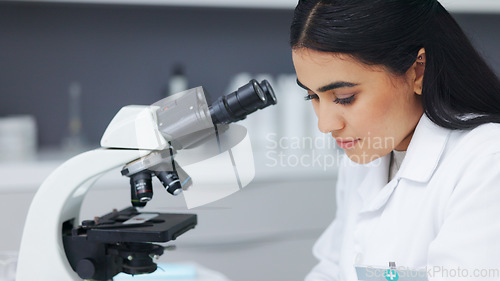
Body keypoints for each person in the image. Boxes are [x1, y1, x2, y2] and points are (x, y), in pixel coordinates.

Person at [289, 0, 500, 280]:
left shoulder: (486, 163)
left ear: (417, 70)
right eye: (313, 97)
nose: (325, 125)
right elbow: (332, 269)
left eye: (344, 98)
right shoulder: (365, 156)